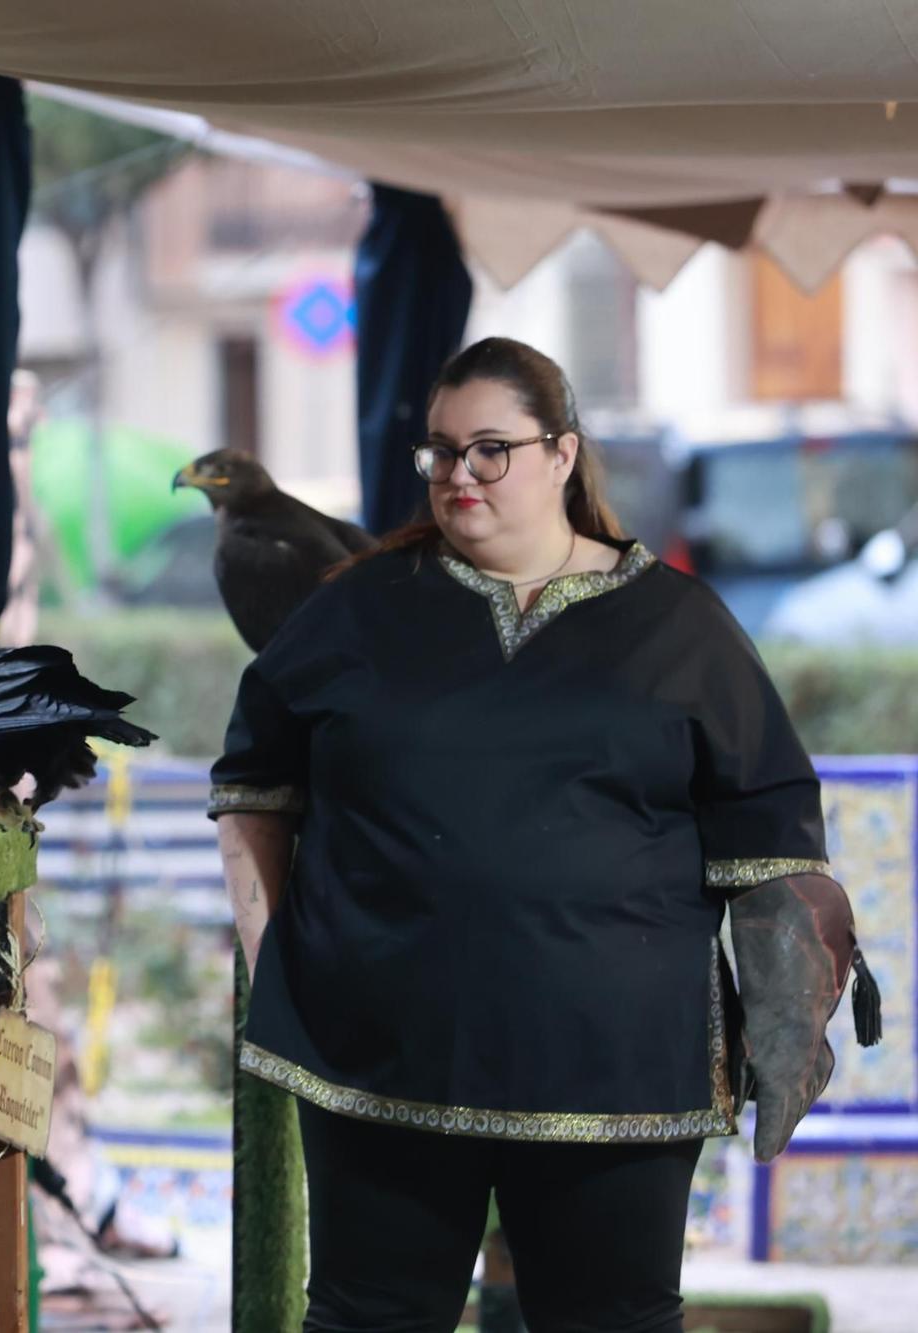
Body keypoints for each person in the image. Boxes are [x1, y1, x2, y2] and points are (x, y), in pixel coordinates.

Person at [209, 337, 875, 1332]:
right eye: (437, 452)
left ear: (561, 454)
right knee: (366, 1319)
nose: (457, 475)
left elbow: (771, 835)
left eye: (489, 449)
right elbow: (251, 786)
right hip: (376, 1058)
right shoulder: (354, 609)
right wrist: (279, 967)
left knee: (610, 1320)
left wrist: (788, 1017)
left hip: (617, 1067)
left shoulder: (676, 627)